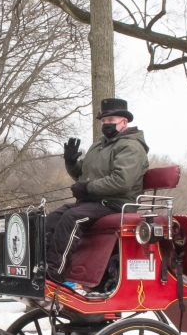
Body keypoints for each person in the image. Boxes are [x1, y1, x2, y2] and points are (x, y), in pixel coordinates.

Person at [46, 98, 149, 283]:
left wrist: (87, 188)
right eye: (104, 121)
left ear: (124, 122)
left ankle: (55, 273)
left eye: (111, 121)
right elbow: (82, 176)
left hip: (117, 203)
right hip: (94, 202)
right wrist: (70, 162)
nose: (106, 125)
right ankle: (41, 265)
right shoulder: (98, 146)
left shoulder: (131, 147)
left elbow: (121, 181)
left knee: (72, 218)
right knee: (51, 219)